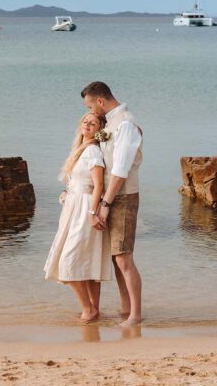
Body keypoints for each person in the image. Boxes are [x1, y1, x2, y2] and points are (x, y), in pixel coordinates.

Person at [81, 81, 143, 327]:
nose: (91, 112)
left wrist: (105, 203)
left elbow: (121, 169)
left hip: (123, 196)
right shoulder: (111, 123)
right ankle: (126, 308)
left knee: (124, 258)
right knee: (117, 258)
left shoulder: (126, 123)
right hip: (110, 196)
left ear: (100, 101)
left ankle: (135, 315)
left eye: (90, 105)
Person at [44, 112, 111, 323]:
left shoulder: (92, 151)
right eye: (85, 121)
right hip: (74, 206)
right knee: (88, 260)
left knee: (68, 261)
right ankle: (94, 310)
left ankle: (88, 309)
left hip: (85, 209)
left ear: (99, 130)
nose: (88, 125)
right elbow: (80, 181)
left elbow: (98, 185)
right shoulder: (80, 150)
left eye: (93, 123)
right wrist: (68, 192)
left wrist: (93, 212)